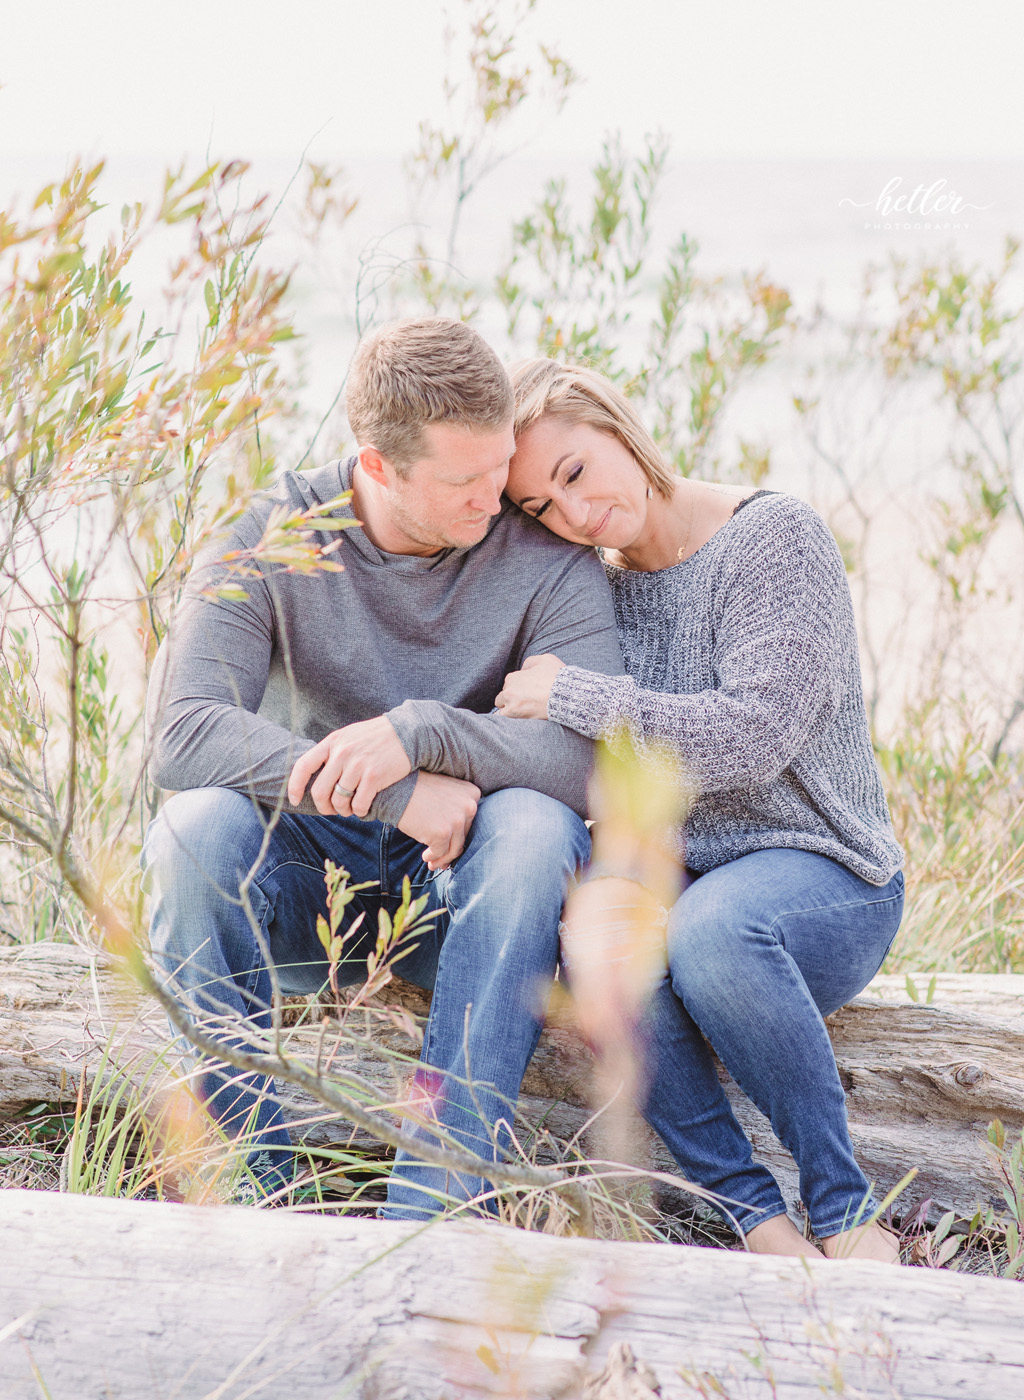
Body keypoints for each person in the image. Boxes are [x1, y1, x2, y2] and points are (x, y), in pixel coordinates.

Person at [142, 320, 622, 1218]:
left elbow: (588, 762)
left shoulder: (547, 555)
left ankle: (434, 1205)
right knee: (192, 832)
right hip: (300, 891)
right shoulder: (273, 533)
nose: (497, 496)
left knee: (533, 830)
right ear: (378, 463)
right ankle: (257, 1198)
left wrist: (422, 736)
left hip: (467, 896)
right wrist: (397, 789)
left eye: (501, 464)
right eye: (463, 480)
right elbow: (184, 731)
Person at [491, 358, 906, 1263]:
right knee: (599, 944)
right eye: (542, 510)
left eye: (573, 472)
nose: (576, 513)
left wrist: (581, 699)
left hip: (826, 873)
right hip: (686, 880)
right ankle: (755, 1218)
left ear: (616, 424)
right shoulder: (590, 591)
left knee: (714, 933)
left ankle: (844, 1211)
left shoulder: (774, 539)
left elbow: (753, 737)